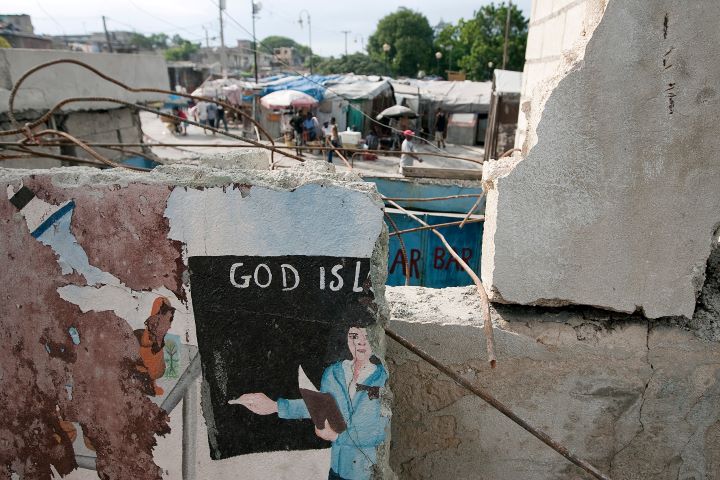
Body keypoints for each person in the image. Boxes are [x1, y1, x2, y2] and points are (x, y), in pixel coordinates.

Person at [232, 326, 388, 480]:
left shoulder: (382, 378)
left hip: (364, 473)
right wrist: (274, 406)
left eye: (366, 336)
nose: (360, 342)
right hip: (335, 470)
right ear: (346, 338)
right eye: (354, 336)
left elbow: (378, 432)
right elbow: (320, 407)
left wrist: (335, 436)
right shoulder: (333, 373)